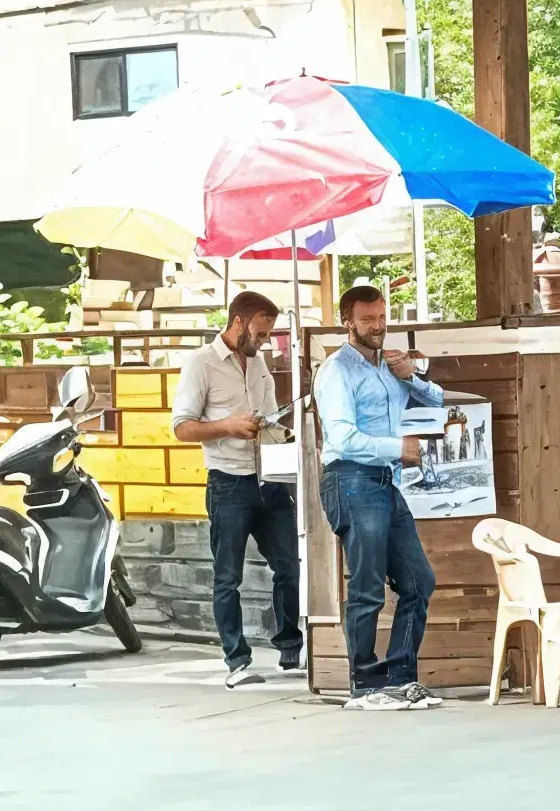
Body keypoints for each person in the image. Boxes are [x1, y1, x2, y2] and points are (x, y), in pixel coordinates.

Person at [316, 281, 444, 708]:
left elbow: (437, 400)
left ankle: (401, 678)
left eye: (382, 317)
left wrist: (412, 376)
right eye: (368, 319)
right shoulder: (337, 370)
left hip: (384, 482)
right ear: (347, 321)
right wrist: (397, 448)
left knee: (418, 580)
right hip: (350, 478)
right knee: (368, 586)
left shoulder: (387, 365)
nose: (377, 326)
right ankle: (366, 685)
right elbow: (342, 437)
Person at [175, 289, 309, 687]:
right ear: (238, 323)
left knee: (289, 567)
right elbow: (182, 427)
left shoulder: (258, 363)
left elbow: (266, 420)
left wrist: (285, 433)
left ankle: (289, 648)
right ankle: (237, 660)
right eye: (262, 333)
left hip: (270, 480)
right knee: (227, 576)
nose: (265, 341)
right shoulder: (200, 363)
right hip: (227, 483)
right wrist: (228, 426)